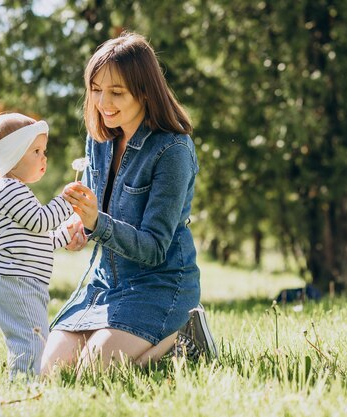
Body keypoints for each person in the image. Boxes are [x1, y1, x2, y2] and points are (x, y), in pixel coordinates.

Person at [40, 32, 216, 377]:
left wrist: (97, 224)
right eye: (95, 89)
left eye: (116, 92)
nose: (103, 102)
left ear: (145, 91)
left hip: (159, 284)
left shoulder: (172, 151)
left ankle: (184, 335)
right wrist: (80, 228)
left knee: (92, 372)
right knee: (50, 372)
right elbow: (97, 214)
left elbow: (153, 248)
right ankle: (162, 342)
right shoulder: (100, 140)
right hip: (106, 284)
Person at [0, 113, 83, 379]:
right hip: (17, 282)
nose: (44, 158)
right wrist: (66, 201)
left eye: (44, 151)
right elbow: (41, 222)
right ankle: (25, 385)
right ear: (12, 156)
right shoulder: (9, 190)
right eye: (36, 151)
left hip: (25, 281)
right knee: (32, 339)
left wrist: (66, 232)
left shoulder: (18, 190)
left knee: (35, 336)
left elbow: (39, 240)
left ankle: (28, 378)